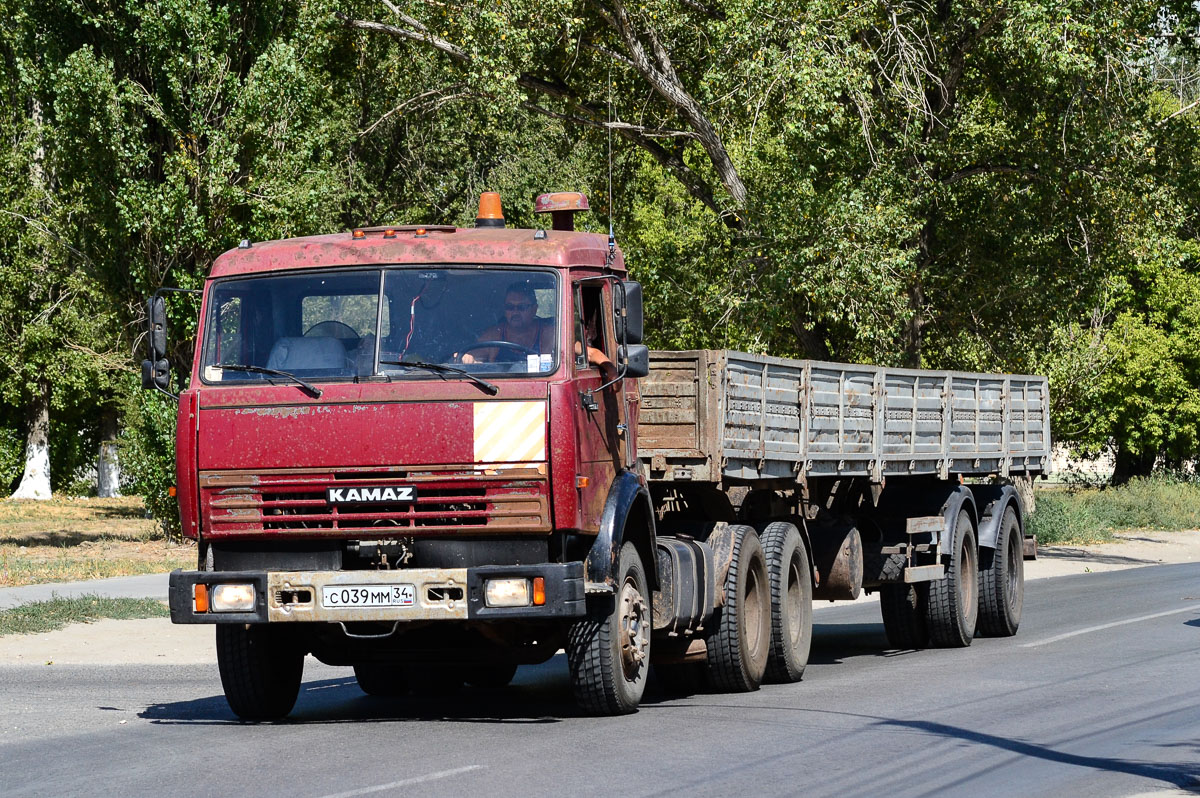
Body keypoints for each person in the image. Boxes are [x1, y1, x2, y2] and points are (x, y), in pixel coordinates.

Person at [461, 282, 555, 364]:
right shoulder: (493, 335)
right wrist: (468, 358)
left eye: (521, 307)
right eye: (510, 307)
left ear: (534, 309)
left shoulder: (549, 335)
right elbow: (474, 357)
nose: (515, 312)